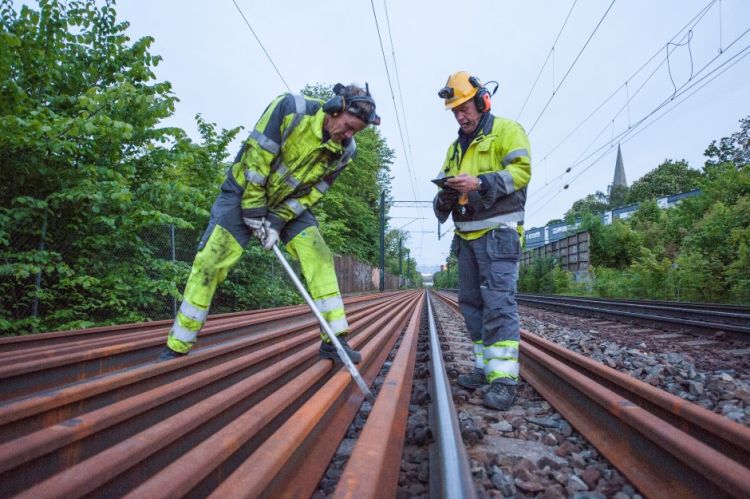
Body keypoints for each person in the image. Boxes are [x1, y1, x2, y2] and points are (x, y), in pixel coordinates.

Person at [158, 83, 380, 363]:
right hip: (242, 194)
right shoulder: (290, 110)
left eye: (356, 132)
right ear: (335, 110)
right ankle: (178, 345)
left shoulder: (346, 151)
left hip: (288, 205)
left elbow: (314, 193)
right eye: (348, 127)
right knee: (211, 262)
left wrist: (276, 220)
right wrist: (253, 208)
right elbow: (257, 160)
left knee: (320, 258)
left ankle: (335, 341)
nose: (348, 136)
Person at [433, 71, 531, 410]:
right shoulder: (454, 148)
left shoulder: (507, 131)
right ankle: (484, 367)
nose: (461, 116)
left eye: (464, 108)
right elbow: (444, 192)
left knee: (499, 305)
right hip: (467, 237)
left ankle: (503, 379)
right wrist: (445, 196)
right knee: (472, 305)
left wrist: (480, 183)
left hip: (499, 234)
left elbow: (521, 172)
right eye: (455, 111)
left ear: (481, 101)